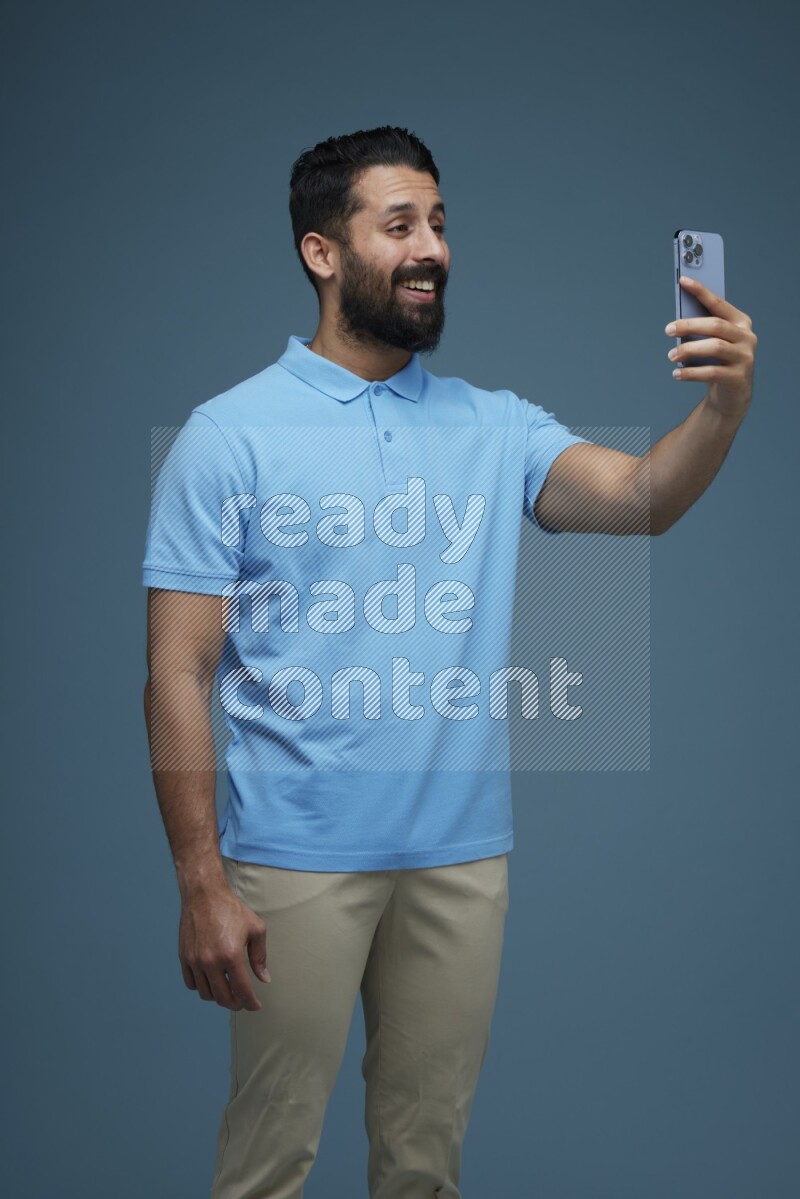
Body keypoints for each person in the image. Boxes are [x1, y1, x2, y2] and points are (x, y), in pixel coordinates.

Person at [142, 125, 757, 1199]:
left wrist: (721, 405)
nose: (430, 247)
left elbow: (643, 499)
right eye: (398, 224)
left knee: (426, 1166)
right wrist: (200, 881)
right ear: (320, 253)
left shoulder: (495, 425)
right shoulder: (227, 435)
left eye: (437, 222)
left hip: (460, 863)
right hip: (291, 858)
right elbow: (176, 673)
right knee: (265, 1167)